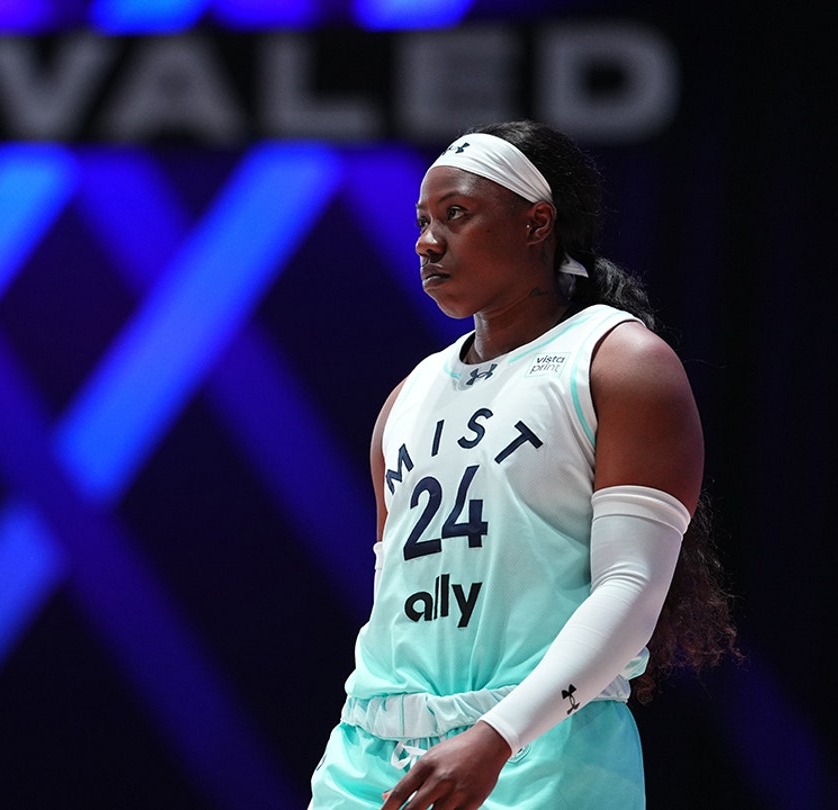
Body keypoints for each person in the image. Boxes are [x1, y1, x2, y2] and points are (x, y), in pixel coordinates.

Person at [308, 120, 738, 809]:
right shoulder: (407, 396)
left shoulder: (618, 361)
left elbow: (631, 586)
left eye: (456, 214)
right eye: (422, 221)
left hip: (538, 754)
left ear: (537, 223)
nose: (427, 241)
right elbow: (396, 605)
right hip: (369, 758)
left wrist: (497, 736)